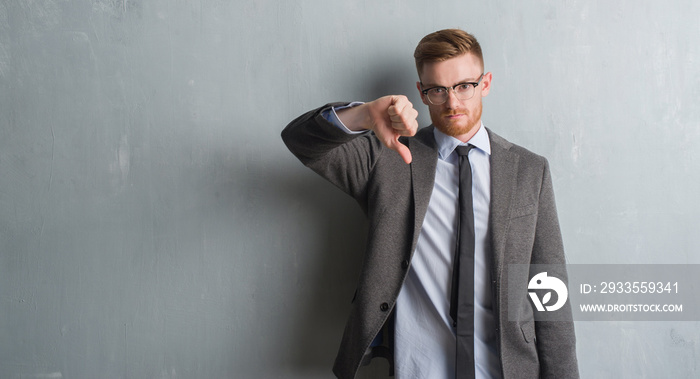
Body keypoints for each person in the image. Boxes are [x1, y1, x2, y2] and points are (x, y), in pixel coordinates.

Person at [281, 29, 579, 379]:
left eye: (465, 85)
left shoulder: (529, 170)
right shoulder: (389, 159)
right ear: (422, 93)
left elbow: (549, 285)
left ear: (485, 83)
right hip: (419, 367)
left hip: (508, 368)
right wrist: (362, 115)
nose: (453, 103)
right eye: (438, 90)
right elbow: (300, 141)